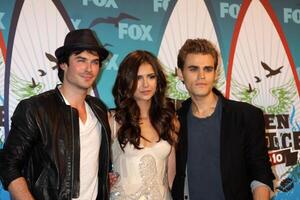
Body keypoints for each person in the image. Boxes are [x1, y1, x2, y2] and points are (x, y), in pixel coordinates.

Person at [0, 29, 111, 200]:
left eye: (95, 62)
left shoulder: (99, 109)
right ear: (63, 64)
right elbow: (8, 164)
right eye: (81, 60)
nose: (89, 69)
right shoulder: (35, 108)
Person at [171, 39, 275, 200]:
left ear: (215, 72)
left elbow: (260, 171)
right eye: (193, 69)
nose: (201, 76)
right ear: (180, 73)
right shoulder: (175, 119)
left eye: (208, 69)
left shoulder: (246, 115)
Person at [109, 50, 178, 199]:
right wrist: (103, 179)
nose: (145, 84)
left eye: (151, 77)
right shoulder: (114, 121)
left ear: (158, 80)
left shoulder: (168, 120)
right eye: (138, 78)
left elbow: (171, 177)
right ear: (127, 81)